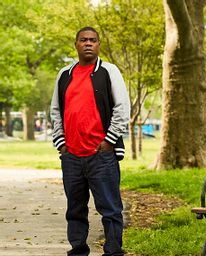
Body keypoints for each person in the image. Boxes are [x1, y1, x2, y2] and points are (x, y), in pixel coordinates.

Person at [50, 26, 130, 256]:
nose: (88, 43)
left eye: (92, 40)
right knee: (75, 209)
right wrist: (61, 143)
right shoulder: (65, 74)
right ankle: (78, 250)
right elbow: (55, 110)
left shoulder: (108, 71)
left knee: (110, 209)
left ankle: (113, 251)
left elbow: (122, 108)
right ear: (76, 44)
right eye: (83, 40)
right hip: (71, 155)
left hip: (101, 155)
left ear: (98, 45)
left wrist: (109, 141)